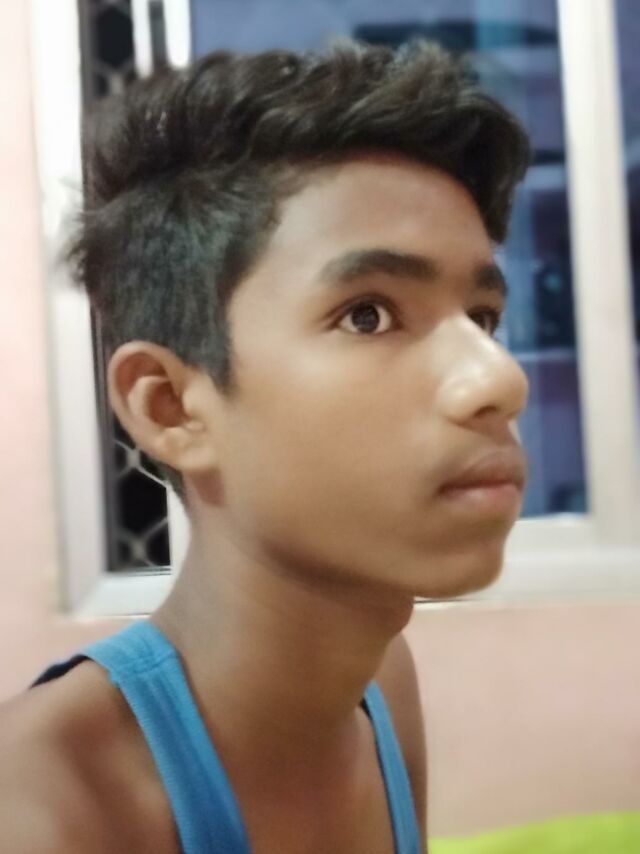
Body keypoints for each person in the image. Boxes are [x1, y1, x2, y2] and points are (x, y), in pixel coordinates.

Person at [0, 37, 530, 853]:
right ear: (170, 406)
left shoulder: (380, 688)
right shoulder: (43, 808)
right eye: (369, 315)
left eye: (483, 319)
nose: (497, 378)